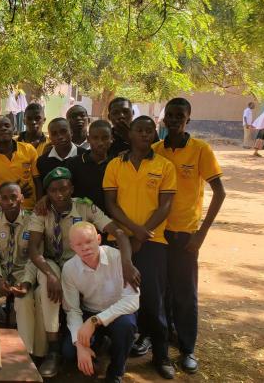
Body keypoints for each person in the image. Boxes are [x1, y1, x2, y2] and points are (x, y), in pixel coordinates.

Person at [28, 167, 138, 378]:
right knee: (47, 285)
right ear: (47, 193)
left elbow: (118, 233)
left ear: (72, 189)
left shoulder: (85, 207)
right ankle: (54, 350)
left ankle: (113, 365)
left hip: (81, 261)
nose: (59, 194)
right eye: (53, 191)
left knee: (124, 325)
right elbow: (33, 249)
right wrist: (51, 275)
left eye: (64, 189)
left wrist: (126, 262)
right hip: (56, 265)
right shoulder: (42, 211)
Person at [154, 97, 226, 374]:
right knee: (161, 292)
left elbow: (219, 193)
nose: (173, 120)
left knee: (185, 293)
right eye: (170, 115)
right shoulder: (156, 150)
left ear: (188, 120)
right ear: (164, 118)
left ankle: (187, 348)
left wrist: (201, 234)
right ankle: (160, 343)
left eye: (179, 116)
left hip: (186, 234)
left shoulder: (200, 150)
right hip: (159, 234)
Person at [103, 115, 177, 379]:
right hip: (119, 241)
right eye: (140, 130)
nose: (145, 134)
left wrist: (141, 235)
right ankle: (117, 361)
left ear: (154, 134)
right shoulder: (115, 164)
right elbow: (111, 204)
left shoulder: (165, 166)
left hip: (153, 242)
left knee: (153, 301)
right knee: (118, 298)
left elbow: (165, 205)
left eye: (149, 130)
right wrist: (134, 230)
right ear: (130, 134)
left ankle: (161, 356)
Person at [61, 222, 139, 383]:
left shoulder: (118, 258)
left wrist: (95, 320)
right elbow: (72, 309)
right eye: (79, 244)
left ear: (98, 239)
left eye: (89, 241)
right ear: (72, 247)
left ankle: (116, 371)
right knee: (70, 351)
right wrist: (80, 345)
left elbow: (132, 300)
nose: (85, 248)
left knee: (126, 327)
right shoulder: (69, 269)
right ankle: (96, 353)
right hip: (89, 311)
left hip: (117, 313)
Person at [0, 182, 45, 356]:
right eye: (4, 198)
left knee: (24, 301)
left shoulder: (34, 222)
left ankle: (24, 354)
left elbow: (35, 258)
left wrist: (26, 283)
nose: (10, 202)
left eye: (14, 197)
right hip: (0, 271)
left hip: (23, 272)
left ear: (22, 198)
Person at [0, 116, 41, 211]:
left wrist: (39, 205)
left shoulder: (28, 149)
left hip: (31, 209)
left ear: (13, 128)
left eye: (7, 125)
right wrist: (12, 193)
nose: (3, 128)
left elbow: (38, 181)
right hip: (3, 210)